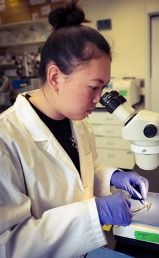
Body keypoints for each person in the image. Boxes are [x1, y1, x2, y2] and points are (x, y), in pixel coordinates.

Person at [0, 1, 149, 257]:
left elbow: (78, 174)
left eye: (103, 88)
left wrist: (112, 176)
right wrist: (96, 213)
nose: (99, 98)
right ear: (56, 77)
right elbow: (8, 244)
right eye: (93, 87)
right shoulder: (6, 139)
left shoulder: (77, 119)